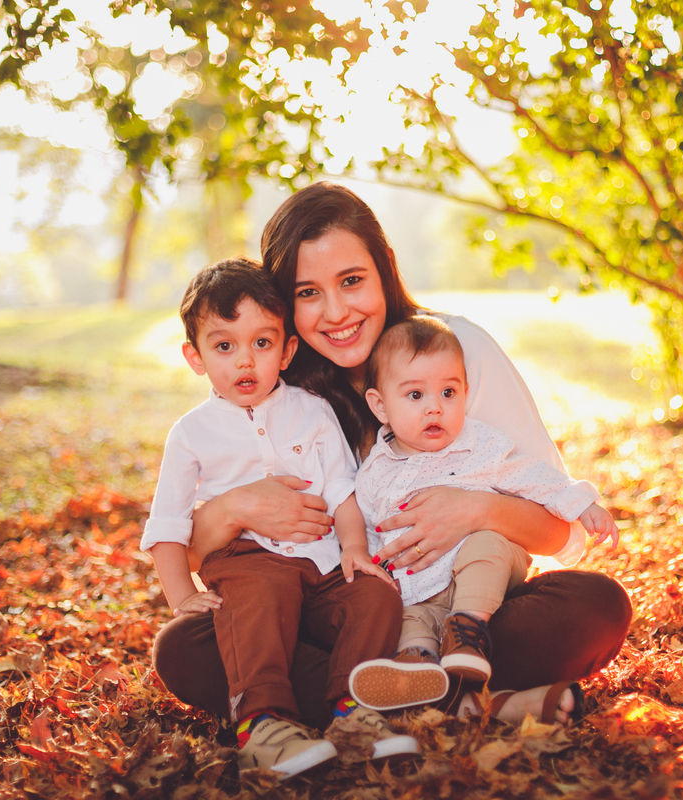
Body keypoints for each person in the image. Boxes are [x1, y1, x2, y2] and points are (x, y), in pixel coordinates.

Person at [152, 182, 633, 730]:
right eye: (308, 292)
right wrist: (234, 508)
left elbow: (556, 534)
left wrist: (477, 510)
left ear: (386, 269)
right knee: (187, 647)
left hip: (471, 610)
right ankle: (451, 701)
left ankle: (393, 696)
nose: (336, 312)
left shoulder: (456, 352)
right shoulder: (276, 388)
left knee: (595, 605)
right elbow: (198, 556)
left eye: (352, 281)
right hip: (346, 612)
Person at [141, 258, 416, 779]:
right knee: (258, 597)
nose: (245, 361)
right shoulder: (191, 433)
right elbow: (167, 526)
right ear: (195, 357)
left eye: (262, 344)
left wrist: (355, 550)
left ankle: (353, 711)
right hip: (249, 564)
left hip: (324, 565)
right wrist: (181, 599)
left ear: (288, 350)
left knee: (376, 595)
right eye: (224, 346)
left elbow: (342, 490)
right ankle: (263, 724)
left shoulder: (312, 410)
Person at [347, 316, 620, 711]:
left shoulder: (480, 446)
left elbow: (531, 478)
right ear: (380, 405)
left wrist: (581, 504)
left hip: (485, 584)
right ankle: (419, 669)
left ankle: (467, 628)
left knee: (485, 544)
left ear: (465, 393)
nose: (435, 408)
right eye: (415, 396)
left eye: (448, 392)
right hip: (417, 592)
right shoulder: (376, 469)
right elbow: (373, 528)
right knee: (408, 620)